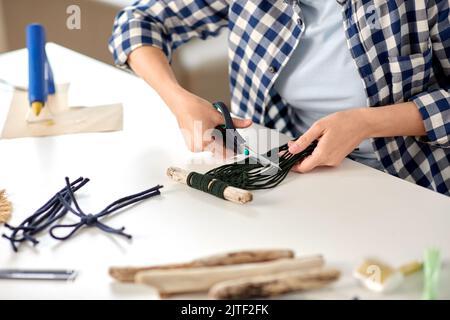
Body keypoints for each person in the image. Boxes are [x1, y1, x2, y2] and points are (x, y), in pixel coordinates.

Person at [109, 0, 450, 195]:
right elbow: (138, 21)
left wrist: (367, 123)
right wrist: (179, 100)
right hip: (289, 181)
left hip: (412, 182)